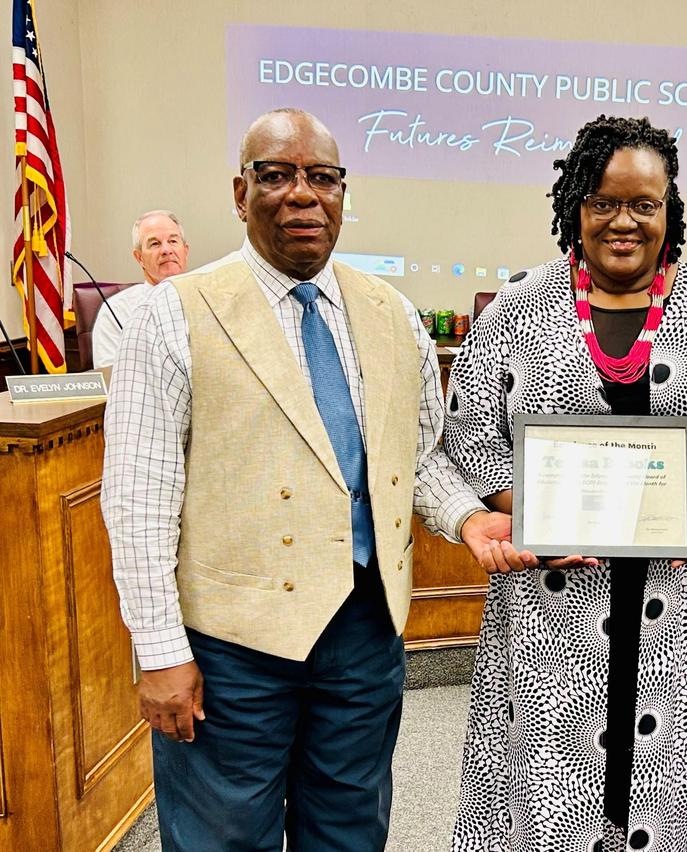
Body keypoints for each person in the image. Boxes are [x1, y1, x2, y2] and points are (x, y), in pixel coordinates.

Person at [101, 108, 526, 852]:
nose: (303, 194)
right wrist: (161, 650)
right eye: (277, 175)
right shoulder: (173, 316)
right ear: (241, 193)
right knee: (222, 841)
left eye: (322, 178)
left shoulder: (393, 314)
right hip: (230, 649)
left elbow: (417, 456)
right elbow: (138, 499)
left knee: (349, 834)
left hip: (364, 636)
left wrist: (467, 516)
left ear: (341, 194)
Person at [444, 115, 687, 852]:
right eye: (603, 202)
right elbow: (470, 431)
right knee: (548, 779)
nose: (623, 221)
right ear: (575, 205)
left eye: (644, 204)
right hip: (550, 598)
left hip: (674, 597)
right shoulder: (517, 309)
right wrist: (535, 508)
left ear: (670, 210)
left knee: (665, 780)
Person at [91, 209, 190, 368]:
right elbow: (110, 376)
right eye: (155, 244)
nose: (166, 250)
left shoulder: (207, 301)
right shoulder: (116, 311)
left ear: (185, 251)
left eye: (173, 241)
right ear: (139, 258)